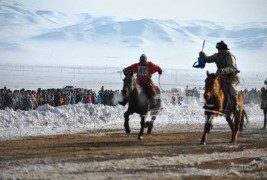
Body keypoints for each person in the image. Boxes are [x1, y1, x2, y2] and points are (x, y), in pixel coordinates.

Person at [199, 41, 240, 111]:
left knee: (231, 87)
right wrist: (203, 55)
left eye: (220, 49)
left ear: (224, 49)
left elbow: (232, 68)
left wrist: (222, 70)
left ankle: (235, 105)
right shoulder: (217, 55)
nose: (219, 50)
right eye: (218, 49)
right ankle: (209, 104)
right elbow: (208, 59)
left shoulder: (230, 56)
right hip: (221, 77)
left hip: (232, 77)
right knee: (213, 87)